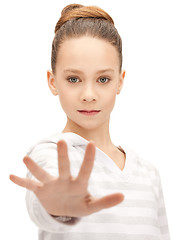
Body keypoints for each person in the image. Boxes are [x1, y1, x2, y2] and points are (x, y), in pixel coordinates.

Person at [9, 3, 170, 240]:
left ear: (120, 81)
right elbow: (45, 202)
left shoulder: (149, 174)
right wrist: (58, 207)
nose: (88, 94)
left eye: (103, 79)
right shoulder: (52, 154)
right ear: (53, 82)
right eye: (74, 79)